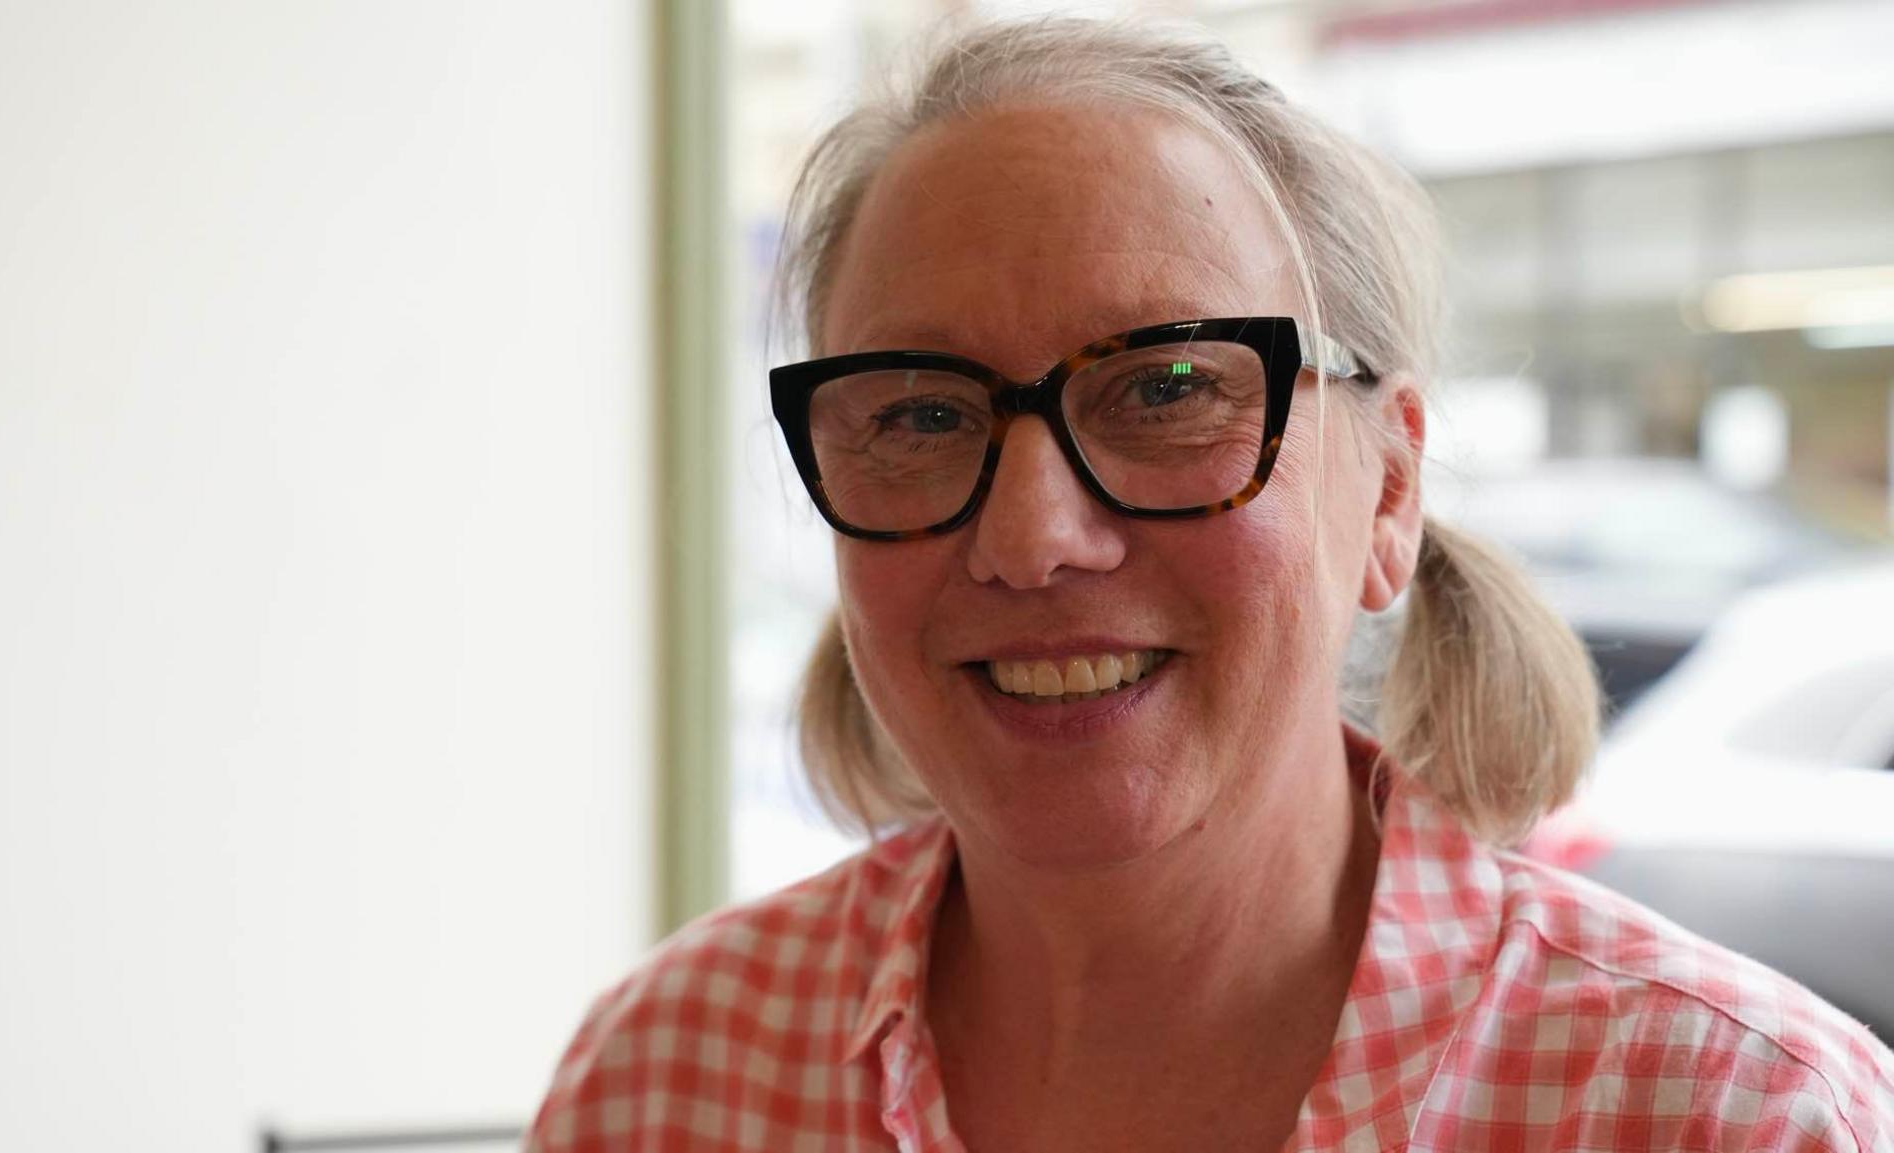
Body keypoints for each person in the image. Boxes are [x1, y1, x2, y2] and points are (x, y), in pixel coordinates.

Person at [528, 17, 1894, 1152]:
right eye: (919, 414)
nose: (1031, 537)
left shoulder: (1731, 1115)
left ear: (1390, 489)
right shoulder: (661, 1081)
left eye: (1169, 387)